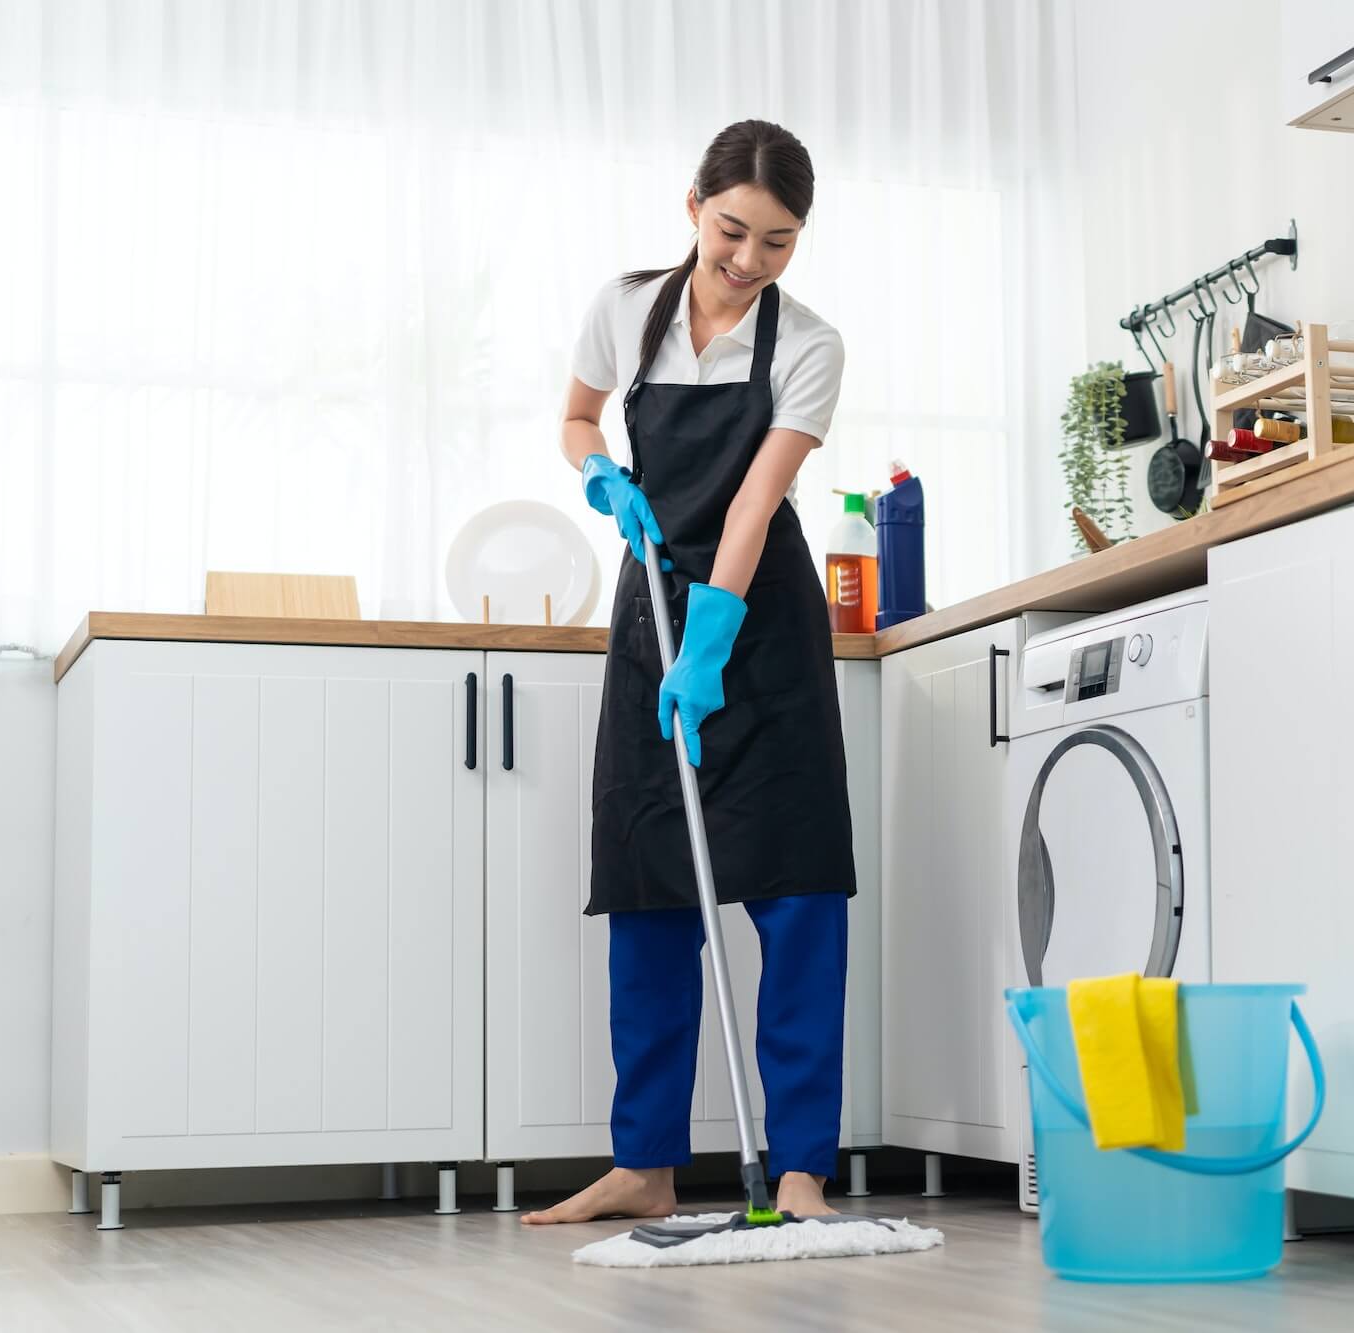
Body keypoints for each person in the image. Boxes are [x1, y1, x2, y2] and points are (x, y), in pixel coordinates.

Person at [525, 120, 854, 1225]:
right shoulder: (624, 307)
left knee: (799, 890)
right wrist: (598, 475)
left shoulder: (809, 345)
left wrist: (713, 639)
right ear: (692, 209)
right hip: (648, 605)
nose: (749, 260)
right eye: (731, 231)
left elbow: (756, 501)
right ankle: (644, 1161)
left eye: (777, 240)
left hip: (756, 623)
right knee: (650, 884)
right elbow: (574, 418)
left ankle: (800, 1166)